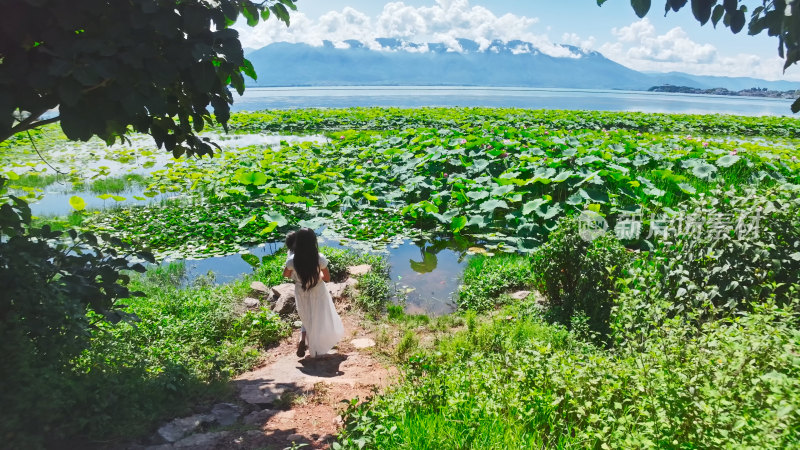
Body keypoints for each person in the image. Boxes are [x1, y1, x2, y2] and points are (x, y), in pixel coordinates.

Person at [282, 228, 344, 358]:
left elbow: (286, 275)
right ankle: (316, 348)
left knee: (307, 317)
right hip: (318, 290)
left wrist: (297, 274)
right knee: (318, 317)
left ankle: (302, 340)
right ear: (313, 241)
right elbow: (326, 277)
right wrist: (317, 274)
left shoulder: (292, 260)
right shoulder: (319, 258)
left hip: (301, 291)